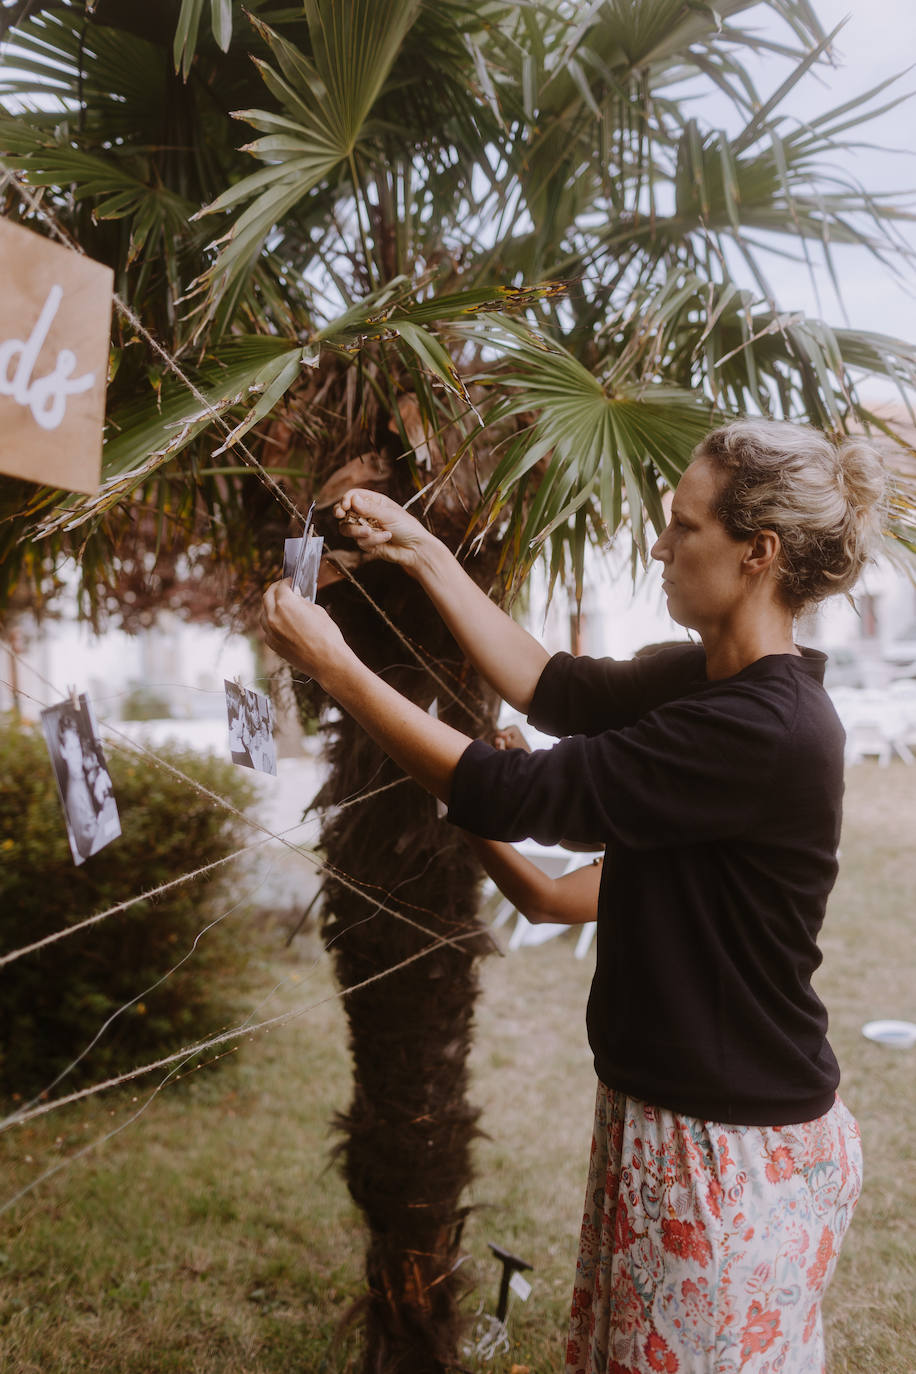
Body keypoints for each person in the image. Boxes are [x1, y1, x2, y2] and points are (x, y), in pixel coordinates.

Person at [261, 418, 887, 1374]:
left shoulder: (765, 726)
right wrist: (421, 548)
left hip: (726, 1148)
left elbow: (521, 795)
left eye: (684, 526)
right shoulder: (707, 678)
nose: (660, 543)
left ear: (756, 553)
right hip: (677, 1119)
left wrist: (336, 669)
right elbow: (550, 689)